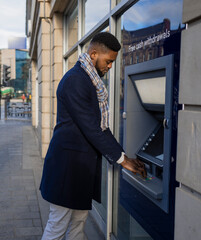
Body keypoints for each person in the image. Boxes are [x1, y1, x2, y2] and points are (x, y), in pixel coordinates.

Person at [39, 32, 146, 239]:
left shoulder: (89, 80)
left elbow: (101, 127)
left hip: (79, 167)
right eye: (108, 61)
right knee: (57, 226)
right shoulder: (76, 80)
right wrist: (123, 160)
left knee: (79, 223)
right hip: (67, 167)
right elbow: (92, 128)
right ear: (94, 54)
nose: (110, 66)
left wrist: (122, 155)